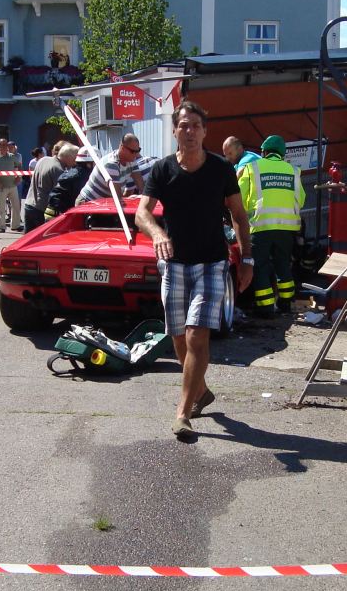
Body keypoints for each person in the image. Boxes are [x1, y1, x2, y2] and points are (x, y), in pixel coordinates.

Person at [135, 100, 253, 441]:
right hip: (174, 266)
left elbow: (239, 216)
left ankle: (182, 413)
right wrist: (157, 232)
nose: (189, 132)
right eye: (183, 126)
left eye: (195, 126)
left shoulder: (220, 169)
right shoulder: (162, 170)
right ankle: (201, 390)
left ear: (205, 131)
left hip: (212, 264)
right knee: (177, 338)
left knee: (195, 334)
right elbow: (142, 213)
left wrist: (246, 260)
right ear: (174, 130)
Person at [238, 134, 304, 316]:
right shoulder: (293, 171)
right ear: (282, 154)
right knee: (283, 264)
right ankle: (286, 304)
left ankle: (266, 307)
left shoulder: (252, 168)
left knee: (260, 266)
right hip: (286, 229)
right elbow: (302, 200)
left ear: (264, 152)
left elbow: (240, 198)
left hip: (260, 227)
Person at [77, 133, 146, 204]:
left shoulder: (132, 161)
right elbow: (118, 198)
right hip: (87, 201)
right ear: (122, 147)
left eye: (138, 151)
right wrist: (131, 199)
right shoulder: (111, 164)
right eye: (132, 151)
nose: (136, 154)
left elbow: (141, 186)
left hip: (102, 203)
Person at [24, 143, 72, 231]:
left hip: (29, 205)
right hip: (42, 210)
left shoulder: (43, 160)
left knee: (28, 242)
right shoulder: (59, 169)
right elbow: (59, 194)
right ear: (67, 156)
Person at [0, 137, 24, 232]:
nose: (4, 147)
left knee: (16, 206)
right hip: (1, 186)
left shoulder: (12, 156)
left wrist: (18, 177)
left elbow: (19, 166)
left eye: (5, 145)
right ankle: (2, 226)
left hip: (12, 185)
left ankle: (15, 225)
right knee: (1, 207)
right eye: (2, 145)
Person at [44, 149, 93, 218]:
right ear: (89, 164)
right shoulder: (83, 177)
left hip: (52, 211)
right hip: (60, 214)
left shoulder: (71, 172)